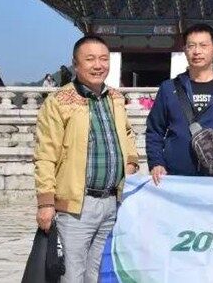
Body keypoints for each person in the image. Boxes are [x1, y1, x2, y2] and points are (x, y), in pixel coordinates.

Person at [34, 35, 139, 283]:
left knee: (99, 273)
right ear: (76, 64)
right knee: (73, 274)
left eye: (104, 59)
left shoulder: (115, 98)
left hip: (111, 202)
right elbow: (45, 154)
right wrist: (45, 203)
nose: (98, 65)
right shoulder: (59, 102)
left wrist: (131, 161)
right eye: (90, 59)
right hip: (77, 205)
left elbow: (127, 133)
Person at [145, 23, 213, 184]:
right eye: (191, 46)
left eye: (203, 45)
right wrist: (156, 162)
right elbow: (154, 131)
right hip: (175, 179)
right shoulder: (169, 89)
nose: (197, 51)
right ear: (185, 50)